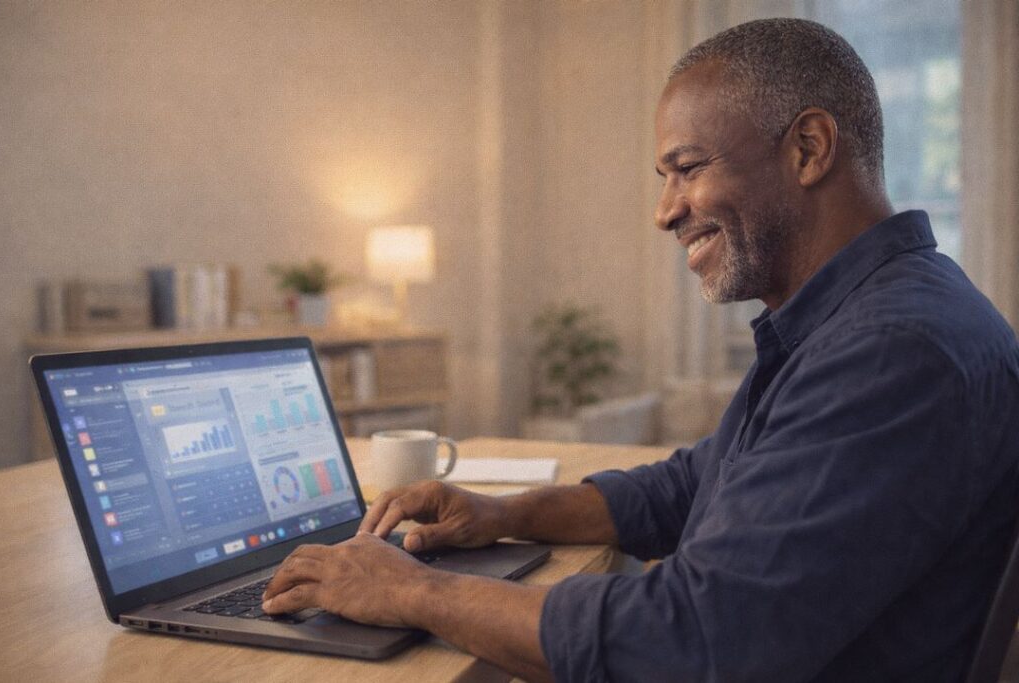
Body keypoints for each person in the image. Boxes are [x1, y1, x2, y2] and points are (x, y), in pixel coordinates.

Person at [262, 18, 1019, 682]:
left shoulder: (892, 351)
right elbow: (696, 483)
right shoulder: (854, 316)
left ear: (810, 147)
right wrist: (500, 512)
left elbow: (691, 642)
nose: (665, 213)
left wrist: (411, 590)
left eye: (687, 169)